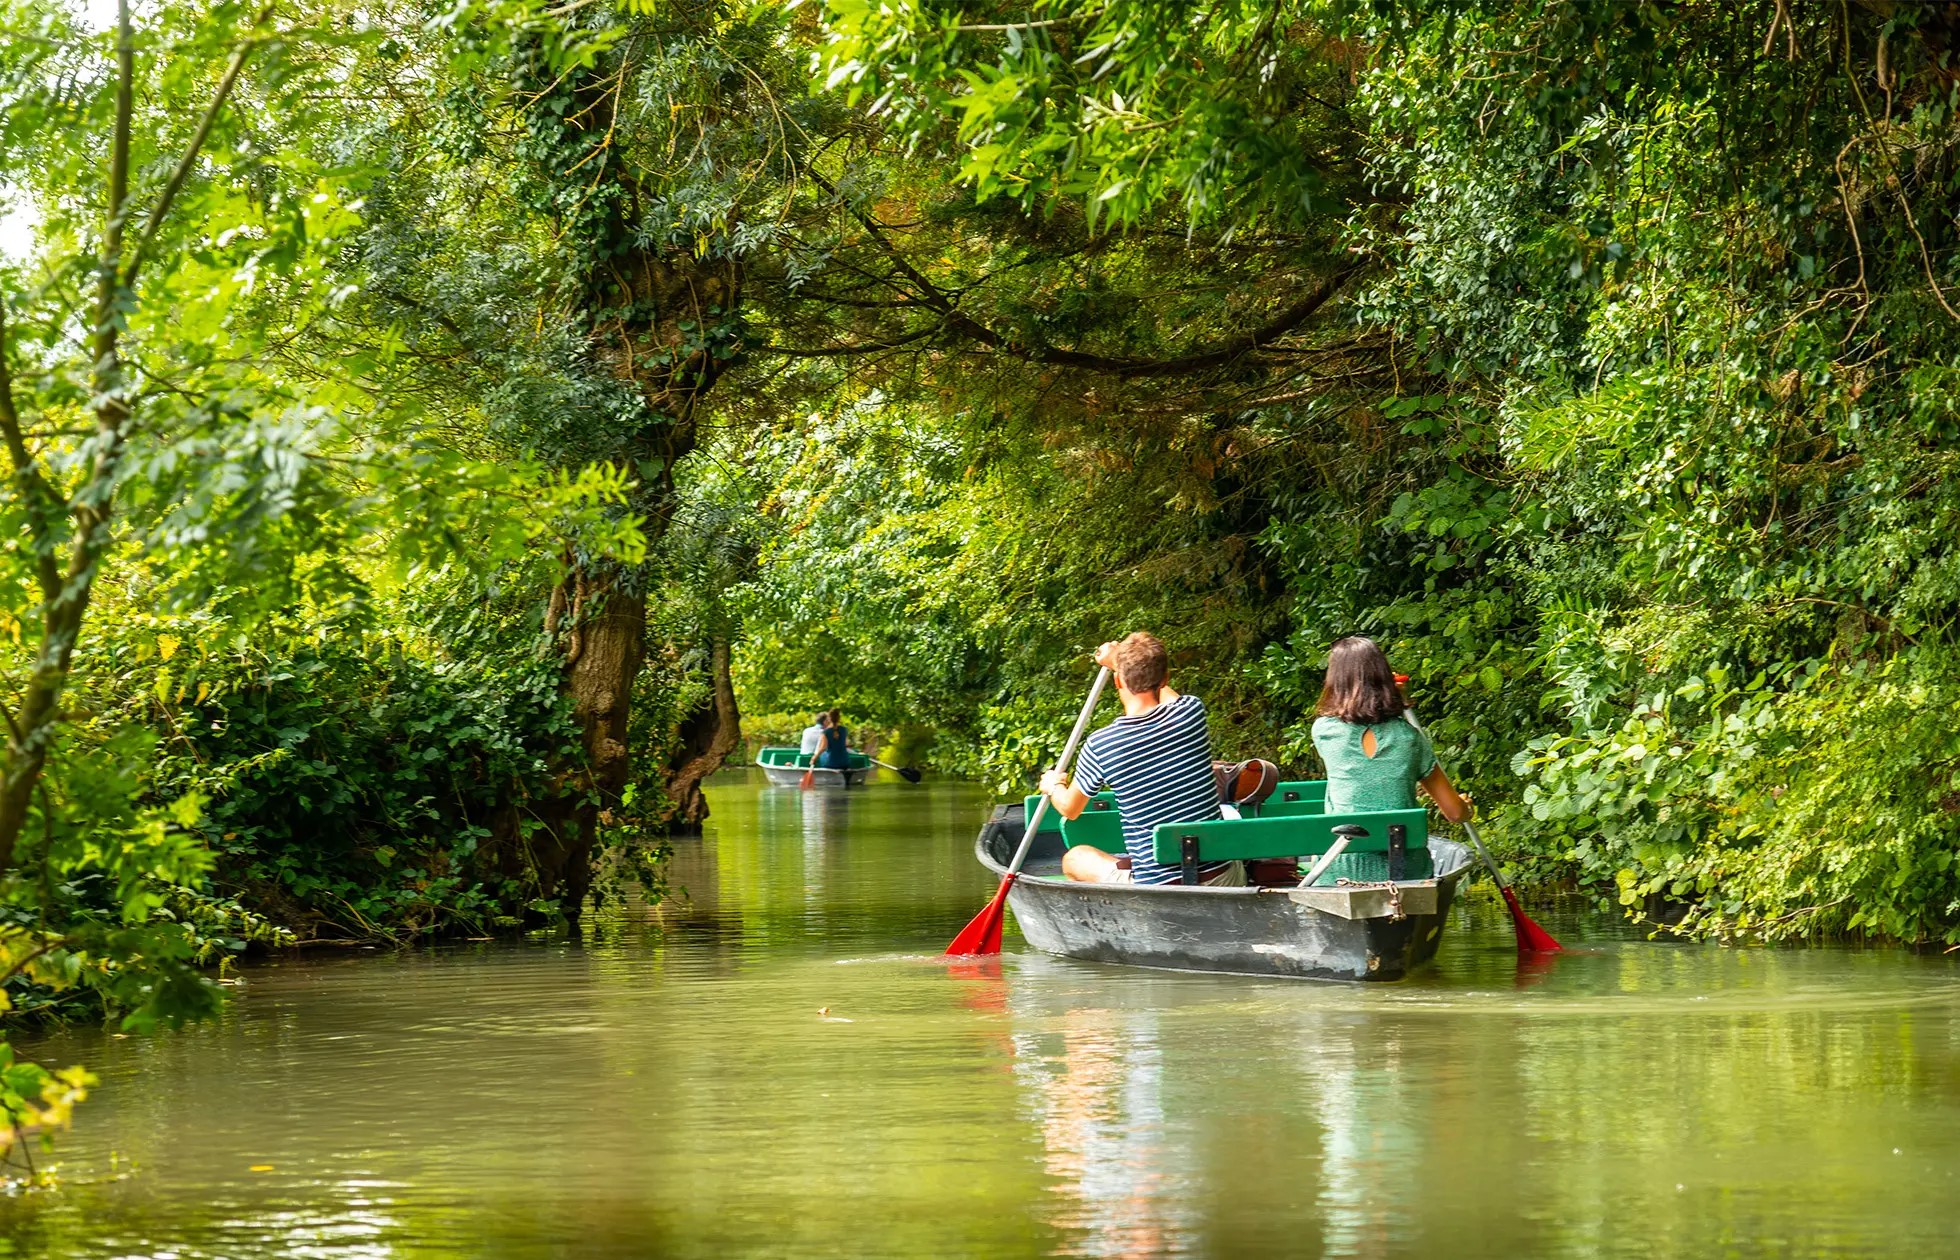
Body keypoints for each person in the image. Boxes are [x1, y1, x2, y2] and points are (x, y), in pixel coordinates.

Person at [1039, 633, 1244, 886]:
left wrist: (1053, 786)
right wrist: (1118, 661)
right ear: (1165, 679)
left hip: (1158, 887)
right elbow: (1169, 697)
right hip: (1223, 879)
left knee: (1075, 859)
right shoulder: (1191, 712)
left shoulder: (1102, 745)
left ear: (1117, 682)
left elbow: (1070, 809)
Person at [1310, 637, 1471, 880]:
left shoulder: (1324, 731)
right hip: (1406, 872)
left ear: (1335, 681)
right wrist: (1466, 807)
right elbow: (1455, 814)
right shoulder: (1409, 738)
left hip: (1341, 869)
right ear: (1383, 676)